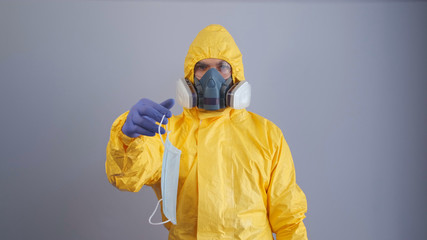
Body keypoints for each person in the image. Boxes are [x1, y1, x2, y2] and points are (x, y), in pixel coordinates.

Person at [105, 24, 308, 239]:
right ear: (190, 77)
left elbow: (289, 218)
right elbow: (127, 178)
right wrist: (128, 138)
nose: (213, 77)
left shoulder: (267, 135)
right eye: (202, 67)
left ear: (235, 74)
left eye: (222, 67)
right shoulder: (167, 132)